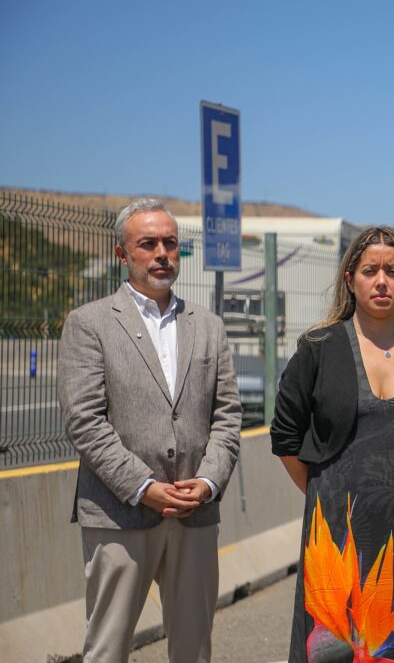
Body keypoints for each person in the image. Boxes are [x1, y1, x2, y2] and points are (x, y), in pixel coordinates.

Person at [270, 226, 394, 662]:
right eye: (370, 270)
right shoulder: (316, 349)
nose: (382, 281)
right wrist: (330, 497)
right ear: (350, 279)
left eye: (393, 271)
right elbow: (285, 438)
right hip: (341, 539)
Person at [58, 198, 242, 663]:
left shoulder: (209, 326)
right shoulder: (90, 324)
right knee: (108, 648)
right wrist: (142, 487)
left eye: (170, 243)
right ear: (123, 254)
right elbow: (85, 420)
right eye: (148, 243)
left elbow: (228, 416)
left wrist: (208, 481)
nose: (162, 253)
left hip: (194, 514)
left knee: (193, 648)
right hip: (119, 514)